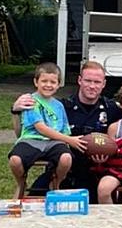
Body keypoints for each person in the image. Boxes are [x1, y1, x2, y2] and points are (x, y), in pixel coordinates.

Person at [11, 61, 122, 200]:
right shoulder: (62, 106)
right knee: (34, 204)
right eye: (88, 81)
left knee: (98, 209)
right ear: (80, 80)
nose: (92, 86)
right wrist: (15, 110)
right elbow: (28, 131)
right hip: (63, 171)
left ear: (103, 84)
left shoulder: (112, 108)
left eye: (97, 82)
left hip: (96, 173)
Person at [7, 62, 86, 199]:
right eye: (44, 81)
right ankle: (21, 182)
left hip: (54, 142)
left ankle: (56, 182)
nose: (48, 85)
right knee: (15, 160)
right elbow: (41, 128)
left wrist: (66, 141)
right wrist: (70, 140)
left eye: (52, 82)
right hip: (31, 140)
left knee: (66, 158)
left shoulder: (59, 105)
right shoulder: (31, 101)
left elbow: (64, 129)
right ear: (36, 82)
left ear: (58, 84)